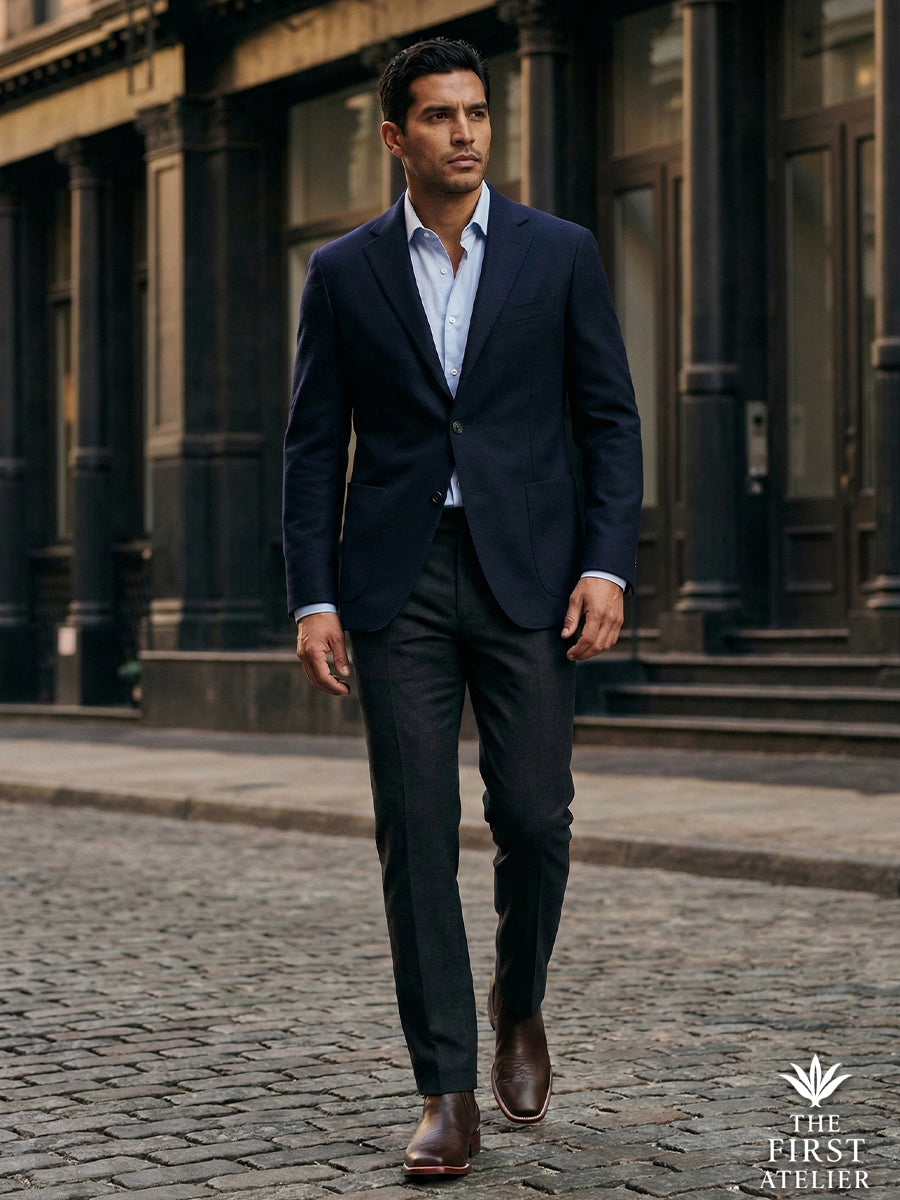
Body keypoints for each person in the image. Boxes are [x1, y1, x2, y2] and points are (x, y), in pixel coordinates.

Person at [283, 37, 642, 1178]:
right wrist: (314, 596)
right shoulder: (344, 273)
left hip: (529, 574)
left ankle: (518, 996)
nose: (466, 132)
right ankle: (444, 1087)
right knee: (416, 838)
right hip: (395, 583)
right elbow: (309, 448)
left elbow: (609, 423)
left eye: (478, 112)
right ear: (396, 136)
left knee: (536, 817)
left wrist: (607, 565)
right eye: (439, 116)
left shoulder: (561, 253)